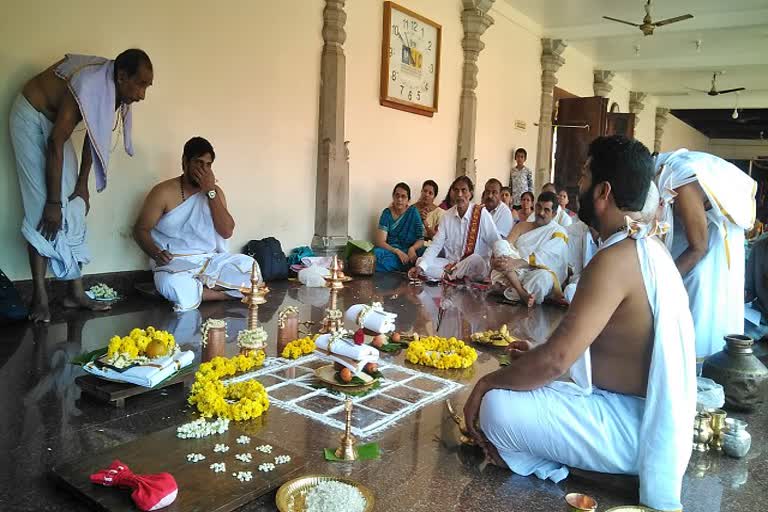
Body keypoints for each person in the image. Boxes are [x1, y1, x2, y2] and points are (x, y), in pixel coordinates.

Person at [465, 136, 696, 512]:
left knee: (496, 407)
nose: (579, 185)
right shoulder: (646, 249)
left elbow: (557, 360)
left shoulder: (616, 258)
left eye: (585, 176)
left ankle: (584, 471)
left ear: (603, 192)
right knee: (526, 377)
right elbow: (586, 350)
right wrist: (539, 356)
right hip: (641, 419)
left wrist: (486, 383)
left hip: (631, 431)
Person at [9, 49, 153, 322]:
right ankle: (39, 297)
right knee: (42, 208)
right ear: (122, 76)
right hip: (29, 116)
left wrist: (82, 186)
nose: (142, 94)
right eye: (141, 84)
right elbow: (55, 143)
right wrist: (53, 202)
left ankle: (74, 292)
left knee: (74, 204)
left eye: (148, 86)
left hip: (53, 125)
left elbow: (93, 136)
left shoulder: (115, 91)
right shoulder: (89, 84)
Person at [133, 137, 258, 312]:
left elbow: (227, 231)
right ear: (184, 162)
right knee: (171, 284)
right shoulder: (163, 191)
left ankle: (198, 290)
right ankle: (223, 294)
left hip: (210, 261)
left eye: (208, 165)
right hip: (175, 264)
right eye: (198, 163)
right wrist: (156, 254)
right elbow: (141, 229)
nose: (203, 170)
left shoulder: (215, 192)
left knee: (252, 269)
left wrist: (210, 192)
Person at [656, 149, 756, 358]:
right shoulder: (664, 175)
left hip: (711, 243)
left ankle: (698, 364)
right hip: (698, 238)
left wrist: (657, 283)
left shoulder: (679, 178)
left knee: (700, 295)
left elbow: (699, 247)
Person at [408, 176, 500, 282]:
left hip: (475, 267)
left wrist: (500, 267)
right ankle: (451, 276)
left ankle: (447, 275)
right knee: (421, 261)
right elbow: (436, 245)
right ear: (452, 193)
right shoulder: (447, 216)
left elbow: (496, 242)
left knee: (475, 259)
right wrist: (420, 267)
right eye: (456, 190)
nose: (459, 194)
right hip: (451, 264)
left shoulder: (481, 213)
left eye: (463, 190)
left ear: (470, 193)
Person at [490, 192, 568, 307]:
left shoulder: (559, 232)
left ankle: (507, 290)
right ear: (535, 206)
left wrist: (517, 263)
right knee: (499, 244)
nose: (541, 213)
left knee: (544, 279)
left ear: (554, 214)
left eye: (546, 210)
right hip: (512, 270)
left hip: (531, 272)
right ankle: (521, 293)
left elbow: (546, 255)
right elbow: (505, 246)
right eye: (539, 207)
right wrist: (494, 261)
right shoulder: (522, 226)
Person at [373, 183, 425, 272]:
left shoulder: (413, 212)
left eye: (403, 196)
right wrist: (397, 251)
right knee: (376, 253)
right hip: (393, 252)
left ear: (408, 200)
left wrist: (412, 249)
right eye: (397, 195)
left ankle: (407, 265)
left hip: (410, 252)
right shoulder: (387, 213)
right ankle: (409, 266)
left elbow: (421, 239)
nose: (399, 199)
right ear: (393, 197)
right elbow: (380, 242)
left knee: (426, 252)